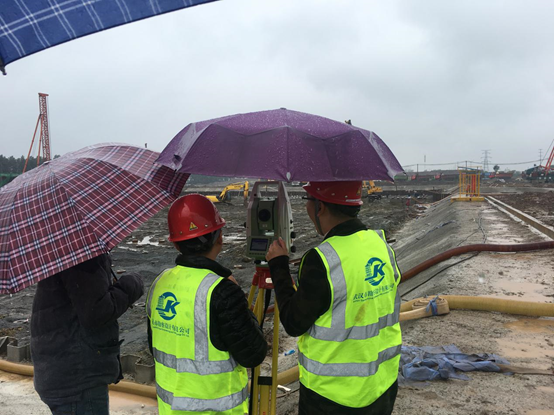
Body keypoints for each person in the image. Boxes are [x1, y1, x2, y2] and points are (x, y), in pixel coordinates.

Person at [266, 181, 402, 415]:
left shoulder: (323, 260)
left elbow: (293, 322)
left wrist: (278, 265)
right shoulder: (379, 243)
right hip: (381, 385)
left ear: (320, 207)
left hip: (332, 396)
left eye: (308, 200)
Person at [146, 194, 267, 414]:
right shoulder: (222, 291)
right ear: (219, 237)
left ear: (176, 245)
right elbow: (253, 354)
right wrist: (239, 299)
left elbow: (155, 346)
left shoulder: (159, 284)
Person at [31, 253, 145, 415]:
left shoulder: (61, 252)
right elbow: (97, 312)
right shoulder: (82, 257)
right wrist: (131, 284)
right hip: (78, 378)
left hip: (60, 369)